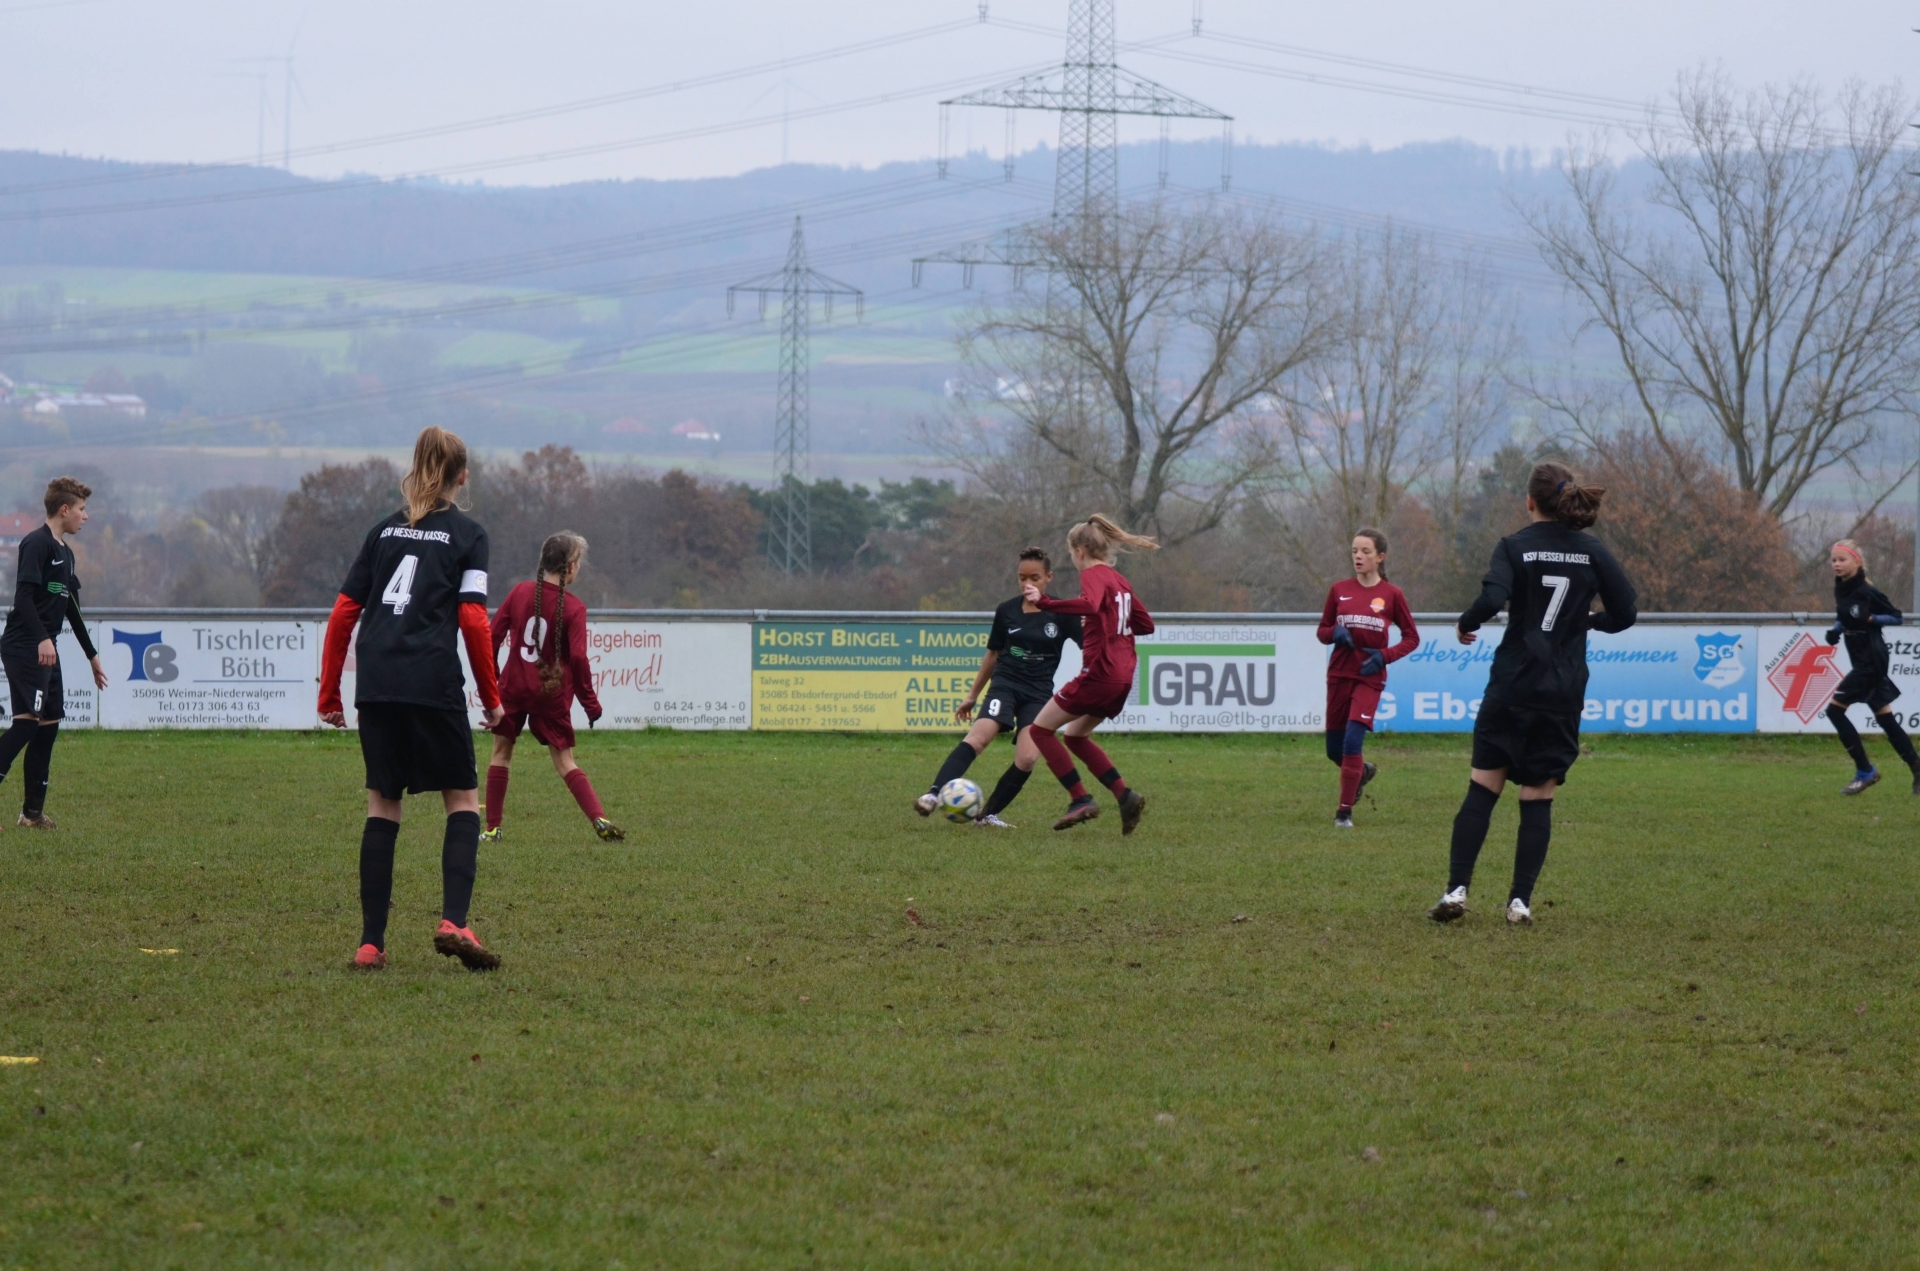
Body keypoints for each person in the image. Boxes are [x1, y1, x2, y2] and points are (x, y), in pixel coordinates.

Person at [318, 427, 505, 971]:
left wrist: (329, 691)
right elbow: (472, 618)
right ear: (462, 476)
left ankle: (371, 944)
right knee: (462, 800)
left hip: (376, 684)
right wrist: (491, 699)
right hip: (431, 681)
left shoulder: (381, 533)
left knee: (383, 804)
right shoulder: (470, 535)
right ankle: (454, 921)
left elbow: (343, 614)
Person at [1429, 461, 1637, 927]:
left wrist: (1466, 622)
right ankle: (1519, 903)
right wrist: (1589, 620)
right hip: (1561, 693)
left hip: (1512, 684)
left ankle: (1456, 889)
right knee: (1538, 796)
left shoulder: (1514, 546)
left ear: (1529, 501)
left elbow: (1490, 599)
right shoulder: (1591, 551)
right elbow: (1625, 612)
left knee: (1483, 788)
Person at [913, 547, 1082, 829]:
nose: (1028, 583)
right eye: (1022, 577)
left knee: (1028, 758)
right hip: (1006, 684)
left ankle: (986, 815)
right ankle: (932, 794)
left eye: (1035, 578)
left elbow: (1088, 645)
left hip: (1038, 692)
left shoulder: (1062, 613)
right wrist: (972, 696)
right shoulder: (1007, 610)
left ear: (1049, 577)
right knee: (979, 738)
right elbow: (992, 655)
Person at [484, 531, 624, 842]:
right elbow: (578, 657)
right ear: (571, 566)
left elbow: (490, 637)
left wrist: (492, 679)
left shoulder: (519, 592)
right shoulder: (574, 608)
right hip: (551, 694)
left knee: (501, 753)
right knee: (565, 761)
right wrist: (590, 703)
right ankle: (599, 818)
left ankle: (492, 829)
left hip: (514, 688)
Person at [1021, 514, 1156, 833]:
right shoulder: (1119, 580)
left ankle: (1080, 799)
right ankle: (1125, 795)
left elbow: (1091, 605)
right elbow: (1145, 624)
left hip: (1099, 673)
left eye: (1071, 553)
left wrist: (1047, 602)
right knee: (1075, 736)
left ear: (1080, 551)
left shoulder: (1094, 575)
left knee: (1040, 731)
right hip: (1123, 678)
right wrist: (1113, 624)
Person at [0, 476, 109, 828]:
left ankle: (32, 814)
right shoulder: (36, 543)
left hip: (47, 647)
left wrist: (91, 655)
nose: (85, 517)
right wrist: (43, 639)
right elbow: (23, 598)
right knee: (26, 725)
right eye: (81, 509)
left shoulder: (66, 552)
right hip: (25, 645)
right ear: (65, 509)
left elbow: (71, 609)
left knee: (47, 726)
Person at [1315, 527, 1419, 828]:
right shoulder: (1339, 590)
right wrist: (1335, 631)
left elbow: (1412, 638)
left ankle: (1343, 814)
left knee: (1351, 742)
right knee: (1334, 750)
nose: (1358, 557)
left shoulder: (1392, 595)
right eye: (1354, 551)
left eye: (1365, 552)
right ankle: (1361, 773)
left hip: (1369, 678)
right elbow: (1322, 631)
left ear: (1380, 557)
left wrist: (1384, 656)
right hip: (1338, 675)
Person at [1820, 539, 1917, 795]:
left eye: (1842, 559)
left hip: (1870, 662)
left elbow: (1897, 617)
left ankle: (1865, 771)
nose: (1837, 564)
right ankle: (1918, 771)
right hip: (1861, 659)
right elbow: (1846, 616)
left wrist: (1873, 618)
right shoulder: (1842, 588)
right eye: (1834, 560)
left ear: (1857, 562)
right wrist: (1836, 631)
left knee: (1834, 711)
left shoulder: (1867, 591)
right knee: (1886, 719)